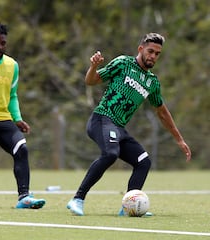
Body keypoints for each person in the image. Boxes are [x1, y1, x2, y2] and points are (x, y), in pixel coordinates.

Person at [67, 33, 191, 216]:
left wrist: (179, 140)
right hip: (102, 119)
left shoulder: (152, 82)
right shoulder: (123, 63)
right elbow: (90, 81)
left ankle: (128, 207)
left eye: (157, 54)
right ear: (140, 49)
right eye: (150, 51)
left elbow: (162, 112)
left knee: (143, 162)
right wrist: (93, 66)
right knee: (110, 153)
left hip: (119, 128)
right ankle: (77, 199)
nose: (153, 56)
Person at [0, 23, 46, 209]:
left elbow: (13, 95)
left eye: (3, 43)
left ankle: (24, 197)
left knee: (21, 149)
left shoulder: (12, 65)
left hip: (2, 118)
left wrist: (17, 118)